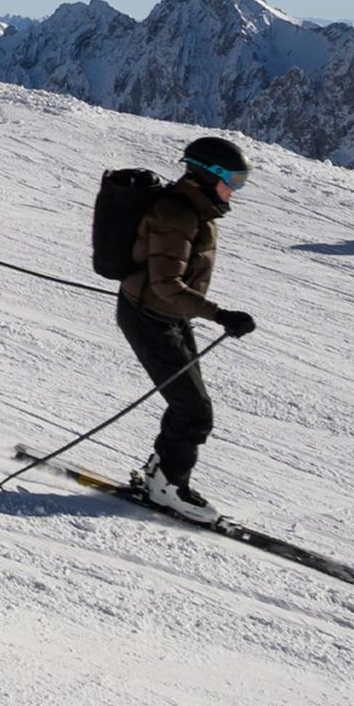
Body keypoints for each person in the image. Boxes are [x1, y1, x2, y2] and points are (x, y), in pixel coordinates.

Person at [119, 137, 257, 524]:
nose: (236, 189)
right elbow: (166, 284)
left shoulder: (195, 209)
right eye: (234, 179)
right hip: (149, 316)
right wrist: (220, 314)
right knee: (194, 410)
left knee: (191, 404)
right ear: (207, 175)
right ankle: (167, 486)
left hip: (167, 315)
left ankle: (159, 475)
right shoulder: (177, 213)